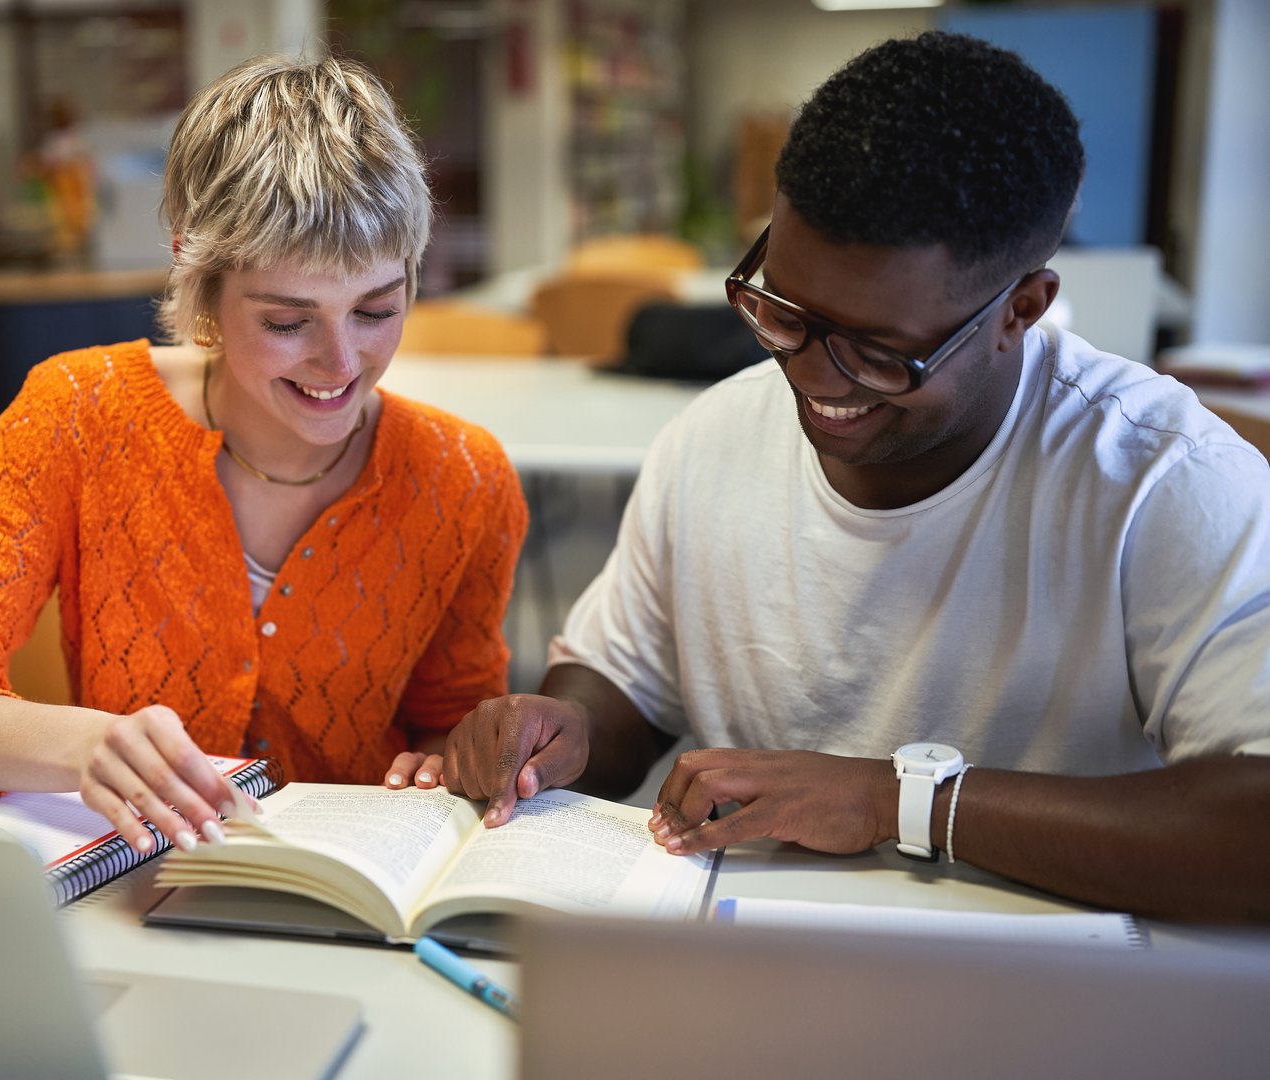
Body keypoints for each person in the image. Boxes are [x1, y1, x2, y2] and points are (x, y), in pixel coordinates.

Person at [440, 31, 1270, 922]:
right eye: (785, 312)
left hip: (1044, 999)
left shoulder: (1162, 479)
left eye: (878, 353)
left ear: (1020, 311)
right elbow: (623, 688)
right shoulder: (714, 436)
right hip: (747, 970)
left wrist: (901, 802)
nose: (814, 378)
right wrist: (563, 732)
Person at [0, 54, 526, 857]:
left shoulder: (464, 476)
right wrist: (80, 746)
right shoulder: (79, 412)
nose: (342, 363)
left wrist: (470, 756)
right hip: (130, 897)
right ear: (197, 278)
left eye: (377, 309)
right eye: (287, 322)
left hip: (350, 907)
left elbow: (455, 722)